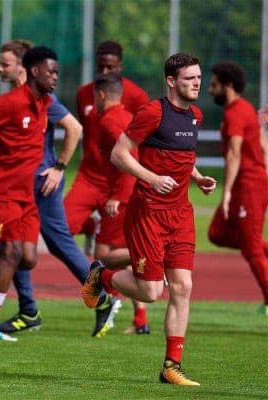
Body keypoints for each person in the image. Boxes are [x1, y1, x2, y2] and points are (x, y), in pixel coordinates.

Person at [82, 53, 217, 385]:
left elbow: (182, 154)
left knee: (183, 287)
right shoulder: (153, 112)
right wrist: (152, 178)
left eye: (198, 77)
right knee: (151, 291)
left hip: (180, 213)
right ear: (171, 81)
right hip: (148, 213)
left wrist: (196, 177)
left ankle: (171, 366)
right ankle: (103, 277)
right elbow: (119, 153)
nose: (197, 83)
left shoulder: (196, 115)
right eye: (189, 78)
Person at [0, 40, 121, 338]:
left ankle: (102, 296)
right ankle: (28, 310)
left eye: (5, 64)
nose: (0, 69)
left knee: (56, 241)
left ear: (25, 66)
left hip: (40, 183)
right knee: (17, 243)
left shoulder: (43, 99)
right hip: (19, 183)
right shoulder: (18, 98)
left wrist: (59, 167)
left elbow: (75, 128)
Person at [64, 40, 149, 332]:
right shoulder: (83, 93)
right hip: (90, 175)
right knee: (62, 227)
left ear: (120, 66)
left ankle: (134, 316)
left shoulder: (133, 97)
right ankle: (93, 228)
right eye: (100, 65)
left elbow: (136, 145)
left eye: (110, 66)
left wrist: (122, 189)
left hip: (119, 181)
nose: (104, 69)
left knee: (110, 254)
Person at [0, 46, 56, 341]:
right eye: (51, 72)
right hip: (3, 191)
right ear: (34, 71)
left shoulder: (45, 103)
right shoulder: (8, 103)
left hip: (26, 196)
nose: (56, 78)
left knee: (29, 258)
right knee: (12, 252)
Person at [207, 61, 268, 315]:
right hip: (252, 184)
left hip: (248, 186)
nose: (210, 90)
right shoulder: (243, 110)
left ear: (228, 85)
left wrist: (228, 190)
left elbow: (234, 154)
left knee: (251, 248)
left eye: (214, 85)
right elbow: (262, 147)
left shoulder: (235, 113)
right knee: (217, 233)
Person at [93, 72, 150, 335]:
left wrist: (118, 196)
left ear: (101, 95)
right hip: (132, 194)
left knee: (103, 258)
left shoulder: (109, 120)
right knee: (121, 259)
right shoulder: (127, 116)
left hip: (124, 197)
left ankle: (110, 304)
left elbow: (130, 157)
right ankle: (140, 319)